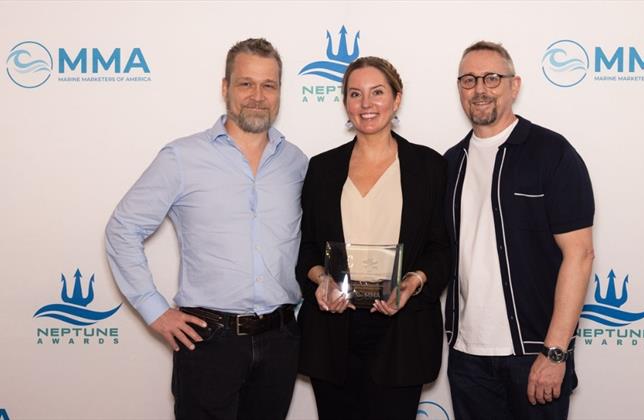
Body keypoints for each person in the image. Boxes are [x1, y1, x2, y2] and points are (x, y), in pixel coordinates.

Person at [104, 38, 307, 420]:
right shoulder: (182, 158)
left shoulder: (296, 162)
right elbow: (123, 229)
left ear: (280, 91)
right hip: (209, 339)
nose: (257, 96)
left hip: (281, 340)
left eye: (269, 85)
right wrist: (155, 310)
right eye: (246, 83)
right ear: (225, 87)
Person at [443, 41, 595, 420]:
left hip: (534, 355)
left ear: (515, 85)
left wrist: (555, 352)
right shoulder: (449, 164)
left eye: (492, 78)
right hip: (467, 358)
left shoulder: (551, 152)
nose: (480, 89)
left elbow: (580, 254)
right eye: (469, 80)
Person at [295, 56, 450, 420]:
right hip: (333, 334)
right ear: (345, 103)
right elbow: (305, 249)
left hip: (403, 334)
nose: (367, 104)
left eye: (377, 92)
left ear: (397, 99)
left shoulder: (429, 166)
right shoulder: (321, 168)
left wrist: (413, 281)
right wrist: (322, 281)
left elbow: (442, 249)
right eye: (355, 94)